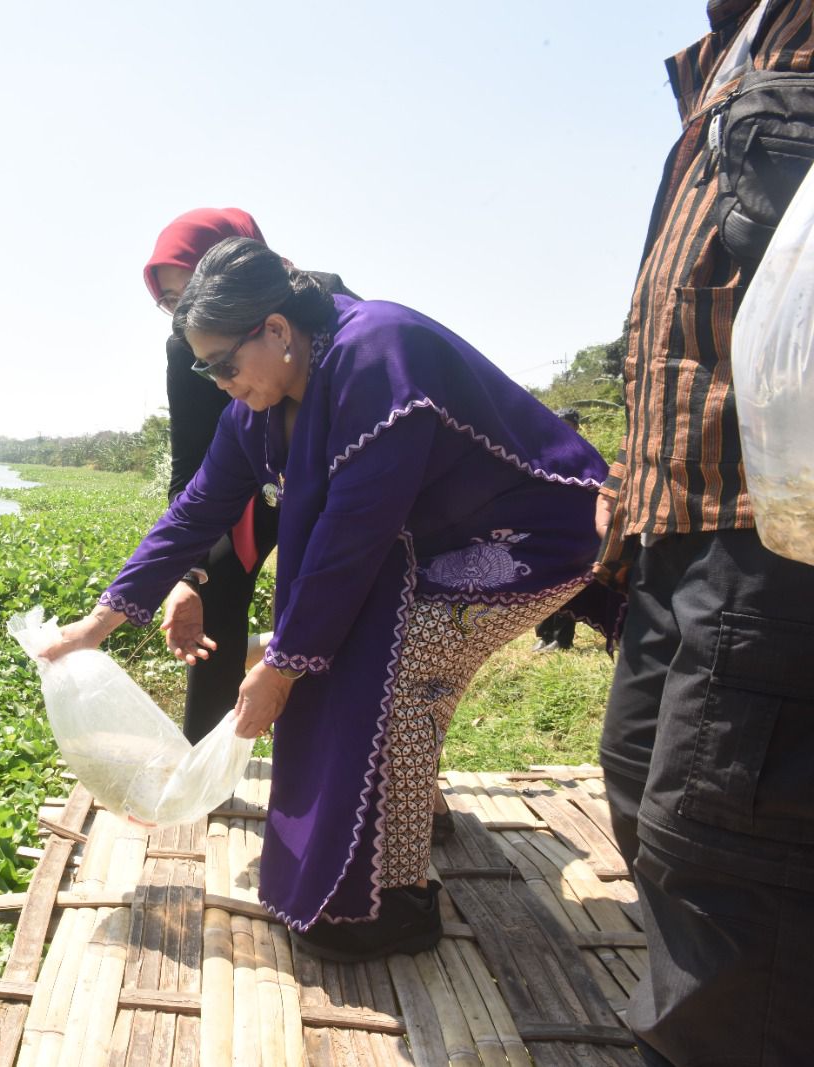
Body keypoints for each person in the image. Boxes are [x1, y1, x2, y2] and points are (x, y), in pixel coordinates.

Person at [42, 237, 616, 962]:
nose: (218, 382)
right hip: (423, 544)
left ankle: (391, 896)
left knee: (407, 667)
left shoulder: (378, 356)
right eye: (204, 367)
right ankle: (377, 842)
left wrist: (281, 666)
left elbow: (352, 537)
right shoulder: (259, 408)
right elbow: (197, 509)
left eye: (224, 363)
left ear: (277, 331)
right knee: (337, 656)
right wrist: (103, 619)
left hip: (534, 532)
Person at [594, 2, 814, 1063]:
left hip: (773, 529)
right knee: (641, 790)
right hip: (673, 517)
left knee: (722, 849)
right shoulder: (730, 52)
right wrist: (627, 485)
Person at [143, 208, 353, 744]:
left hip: (335, 481)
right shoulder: (183, 345)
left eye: (189, 287)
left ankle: (347, 761)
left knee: (331, 602)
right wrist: (185, 574)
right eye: (169, 301)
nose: (182, 309)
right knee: (213, 596)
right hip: (248, 485)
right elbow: (191, 462)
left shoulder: (323, 298)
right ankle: (205, 763)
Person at [532, 408, 585, 651]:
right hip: (546, 524)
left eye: (568, 425)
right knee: (544, 583)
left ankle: (562, 639)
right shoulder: (544, 450)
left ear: (576, 427)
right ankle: (543, 635)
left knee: (567, 585)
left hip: (572, 526)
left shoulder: (584, 454)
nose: (563, 429)